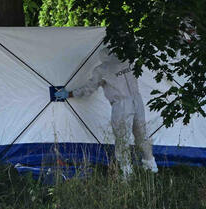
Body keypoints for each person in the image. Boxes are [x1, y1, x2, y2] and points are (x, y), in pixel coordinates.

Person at [56, 46, 158, 176]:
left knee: (122, 139)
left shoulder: (102, 69)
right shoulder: (128, 61)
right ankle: (151, 167)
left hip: (121, 105)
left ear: (102, 57)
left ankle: (126, 173)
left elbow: (88, 89)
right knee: (142, 135)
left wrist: (69, 94)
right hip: (137, 101)